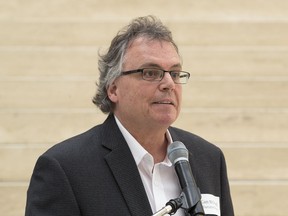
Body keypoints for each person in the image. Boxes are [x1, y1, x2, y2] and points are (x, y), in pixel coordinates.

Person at [25, 15, 234, 216]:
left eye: (175, 73)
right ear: (113, 89)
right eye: (150, 73)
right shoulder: (65, 169)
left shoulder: (209, 159)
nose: (169, 83)